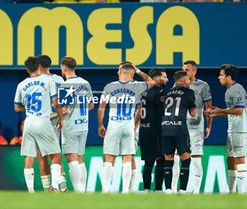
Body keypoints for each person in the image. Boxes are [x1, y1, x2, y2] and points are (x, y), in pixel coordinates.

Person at [14, 56, 64, 192]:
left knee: (30, 156)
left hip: (29, 121)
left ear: (27, 69)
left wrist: (29, 107)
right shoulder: (48, 81)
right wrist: (61, 118)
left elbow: (17, 108)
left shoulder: (22, 84)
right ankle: (54, 187)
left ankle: (30, 191)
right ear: (39, 66)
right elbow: (56, 102)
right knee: (55, 155)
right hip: (44, 120)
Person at [98, 63, 147, 193]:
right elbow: (152, 83)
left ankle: (105, 190)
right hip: (128, 126)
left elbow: (101, 108)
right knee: (127, 158)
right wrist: (138, 70)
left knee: (109, 158)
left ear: (120, 72)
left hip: (114, 125)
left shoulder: (110, 86)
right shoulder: (137, 86)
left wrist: (100, 125)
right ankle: (125, 191)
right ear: (132, 73)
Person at [205, 64, 247, 194]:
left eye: (221, 75)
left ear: (229, 77)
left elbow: (239, 110)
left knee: (240, 157)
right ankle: (231, 191)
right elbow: (231, 111)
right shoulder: (229, 90)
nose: (219, 77)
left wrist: (220, 110)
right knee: (230, 158)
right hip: (232, 129)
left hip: (240, 129)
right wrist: (214, 113)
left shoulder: (237, 89)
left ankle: (240, 193)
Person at [60, 56, 94, 192]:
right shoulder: (85, 83)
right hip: (83, 125)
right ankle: (82, 191)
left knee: (72, 159)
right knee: (80, 159)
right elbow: (91, 105)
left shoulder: (65, 85)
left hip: (70, 126)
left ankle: (78, 194)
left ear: (64, 67)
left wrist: (55, 115)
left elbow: (65, 109)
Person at [37, 55, 68, 192]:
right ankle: (62, 187)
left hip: (42, 121)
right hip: (55, 121)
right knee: (55, 154)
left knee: (43, 155)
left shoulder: (36, 81)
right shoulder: (59, 79)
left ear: (39, 66)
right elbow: (64, 104)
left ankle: (49, 188)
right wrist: (59, 116)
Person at [162, 70, 196, 194]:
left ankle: (168, 190)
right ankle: (182, 190)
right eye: (187, 79)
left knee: (168, 158)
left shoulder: (168, 92)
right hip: (179, 128)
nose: (189, 81)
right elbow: (193, 113)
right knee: (185, 158)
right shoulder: (189, 92)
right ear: (182, 81)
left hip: (165, 127)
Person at [181, 60, 212, 194]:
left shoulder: (202, 86)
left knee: (196, 158)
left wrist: (209, 126)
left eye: (187, 70)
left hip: (196, 128)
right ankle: (179, 189)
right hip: (181, 127)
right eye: (183, 70)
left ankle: (197, 191)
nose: (184, 72)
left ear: (194, 71)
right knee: (178, 157)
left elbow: (209, 108)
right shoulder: (180, 85)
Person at [138, 68, 168, 192]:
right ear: (156, 78)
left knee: (148, 162)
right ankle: (158, 190)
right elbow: (163, 112)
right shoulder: (159, 92)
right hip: (155, 130)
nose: (167, 79)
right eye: (164, 77)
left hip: (143, 130)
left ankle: (146, 190)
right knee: (160, 161)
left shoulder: (144, 93)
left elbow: (140, 112)